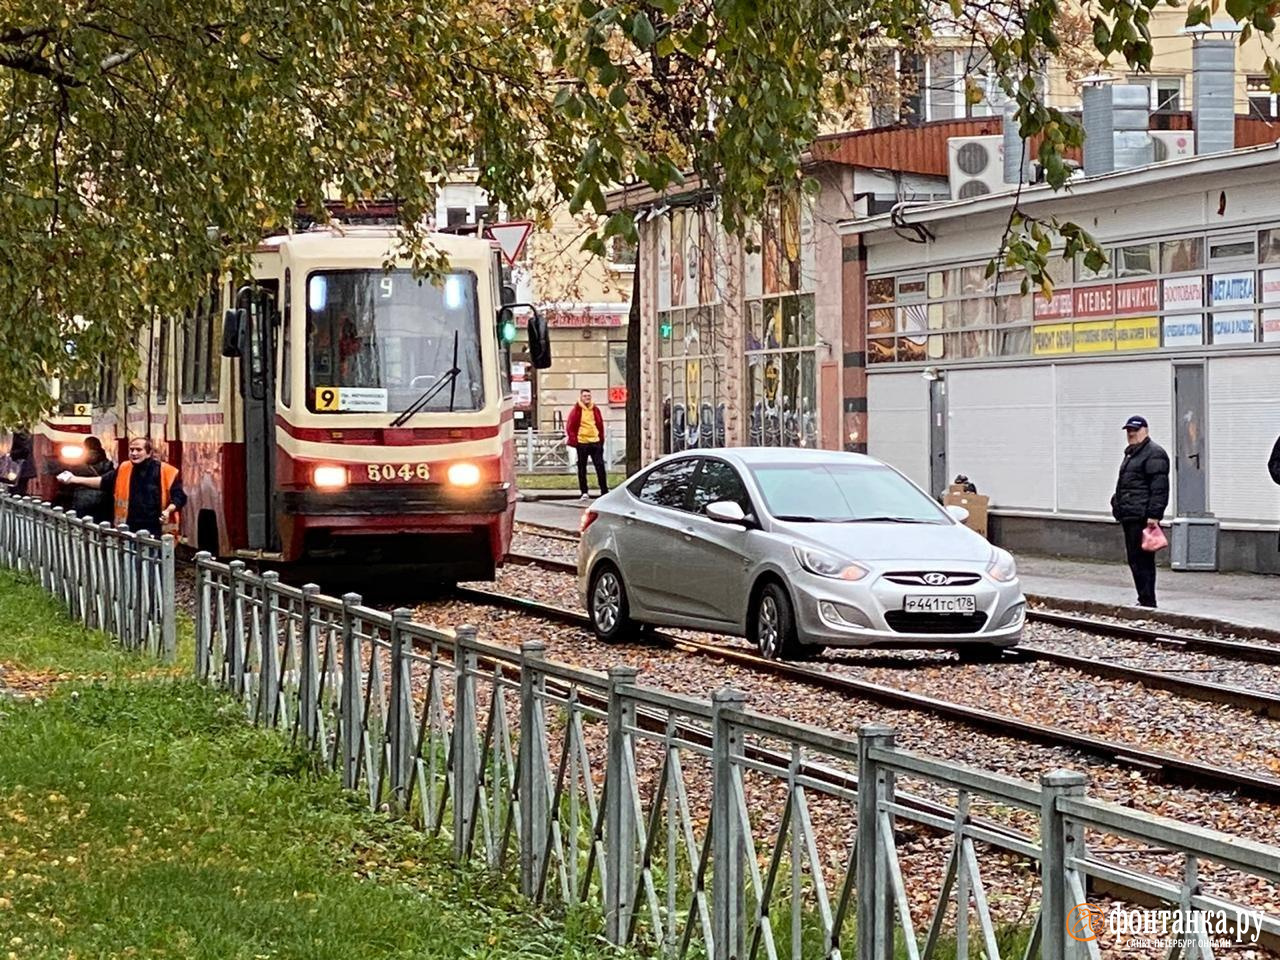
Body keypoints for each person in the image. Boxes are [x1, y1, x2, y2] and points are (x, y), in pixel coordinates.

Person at [58, 436, 186, 537]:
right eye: (131, 450)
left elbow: (179, 497)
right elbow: (103, 482)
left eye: (138, 450)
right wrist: (74, 479)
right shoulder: (124, 468)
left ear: (149, 453)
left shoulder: (166, 471)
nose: (134, 453)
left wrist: (168, 511)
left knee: (153, 565)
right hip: (128, 528)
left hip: (156, 528)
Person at [1110, 416, 1170, 609]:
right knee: (1134, 559)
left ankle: (1147, 599)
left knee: (1142, 560)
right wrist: (1117, 503)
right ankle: (1143, 598)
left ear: (1145, 430)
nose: (1131, 434)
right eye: (1129, 431)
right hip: (1130, 514)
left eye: (1135, 430)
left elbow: (1159, 488)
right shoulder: (1132, 454)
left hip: (1142, 516)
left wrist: (1154, 515)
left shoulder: (1154, 454)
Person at [566, 388, 608, 501]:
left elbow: (600, 425)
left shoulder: (595, 409)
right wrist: (575, 441)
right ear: (581, 397)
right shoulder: (576, 410)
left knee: (600, 466)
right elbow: (570, 426)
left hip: (595, 442)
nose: (587, 398)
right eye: (585, 396)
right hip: (582, 442)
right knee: (582, 468)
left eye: (589, 396)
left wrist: (601, 440)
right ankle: (584, 492)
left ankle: (604, 490)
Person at [68, 436, 115, 524]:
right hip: (103, 500)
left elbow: (70, 482)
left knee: (84, 526)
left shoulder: (78, 463)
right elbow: (110, 481)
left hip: (82, 499)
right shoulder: (107, 462)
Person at [7, 429, 36, 496]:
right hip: (20, 467)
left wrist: (11, 454)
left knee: (17, 490)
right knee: (19, 489)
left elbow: (24, 450)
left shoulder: (20, 434)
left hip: (19, 467)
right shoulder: (24, 433)